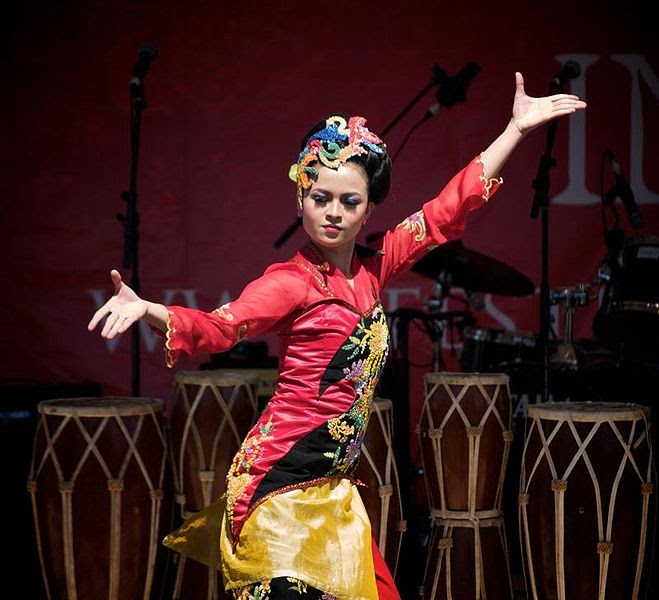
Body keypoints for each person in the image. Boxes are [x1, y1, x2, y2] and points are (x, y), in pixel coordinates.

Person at [88, 72, 586, 599]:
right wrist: (149, 309)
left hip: (332, 494)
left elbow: (445, 210)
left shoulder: (374, 268)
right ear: (300, 198)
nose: (333, 212)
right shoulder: (290, 282)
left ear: (368, 210)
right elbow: (221, 326)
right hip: (277, 489)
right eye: (320, 197)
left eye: (349, 202)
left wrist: (515, 130)